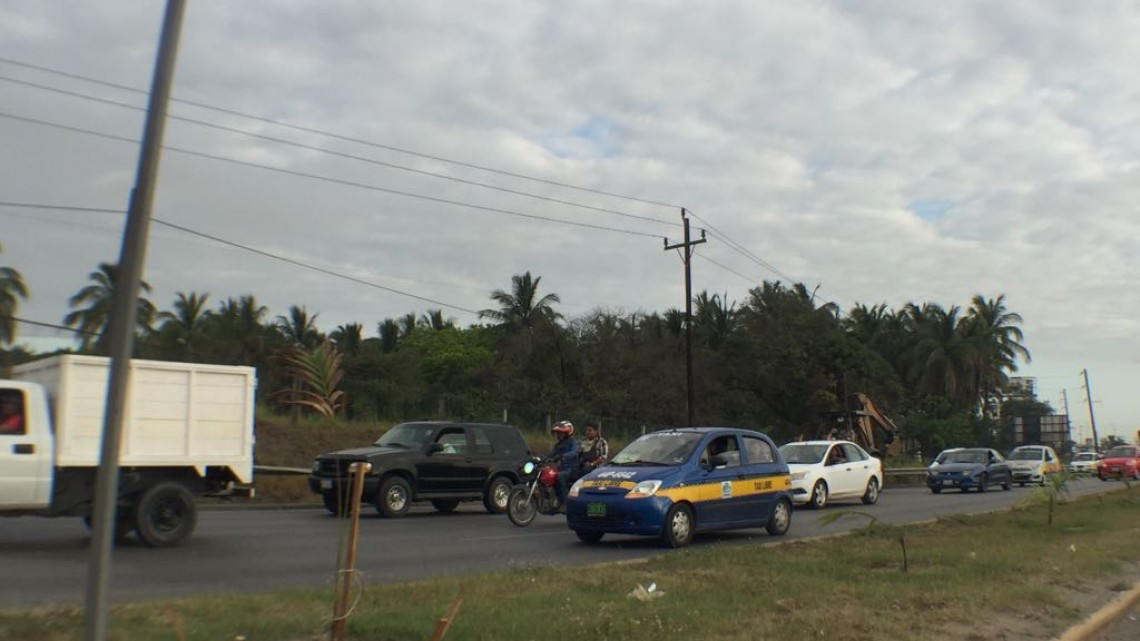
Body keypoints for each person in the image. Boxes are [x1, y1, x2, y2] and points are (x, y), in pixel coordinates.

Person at [547, 420, 581, 509]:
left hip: (572, 469)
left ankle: (565, 503)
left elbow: (574, 453)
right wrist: (538, 460)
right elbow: (550, 454)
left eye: (560, 433)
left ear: (567, 432)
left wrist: (562, 456)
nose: (558, 435)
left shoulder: (574, 442)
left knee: (559, 476)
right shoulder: (558, 445)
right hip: (561, 468)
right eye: (557, 433)